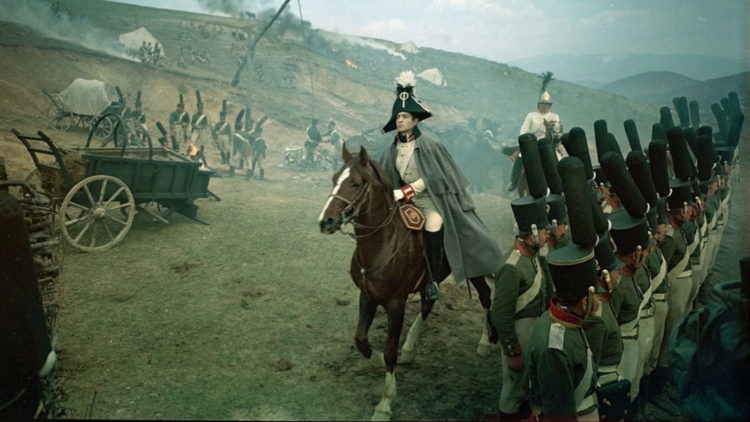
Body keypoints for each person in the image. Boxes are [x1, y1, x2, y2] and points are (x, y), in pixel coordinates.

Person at [378, 70, 502, 301]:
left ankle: (432, 281)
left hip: (431, 199)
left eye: (405, 116)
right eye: (398, 117)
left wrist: (406, 191)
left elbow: (433, 176)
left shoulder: (430, 145)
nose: (400, 120)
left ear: (416, 120)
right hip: (403, 201)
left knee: (434, 223)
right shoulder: (391, 148)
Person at [491, 195, 553, 417]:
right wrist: (512, 351)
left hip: (535, 329)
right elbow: (501, 314)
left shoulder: (535, 256)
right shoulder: (512, 267)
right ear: (532, 233)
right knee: (513, 392)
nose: (548, 235)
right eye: (544, 231)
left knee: (530, 386)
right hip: (520, 332)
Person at [508, 72, 563, 194]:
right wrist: (526, 139)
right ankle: (513, 181)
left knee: (559, 160)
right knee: (520, 158)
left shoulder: (554, 116)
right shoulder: (531, 115)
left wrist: (556, 134)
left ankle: (562, 182)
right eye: (543, 104)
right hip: (531, 144)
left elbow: (557, 130)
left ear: (550, 105)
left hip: (547, 145)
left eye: (547, 104)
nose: (544, 106)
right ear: (539, 104)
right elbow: (523, 130)